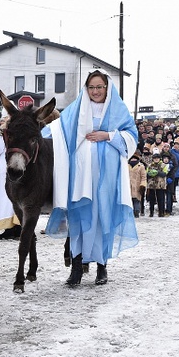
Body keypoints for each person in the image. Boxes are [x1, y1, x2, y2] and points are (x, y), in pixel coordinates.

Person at [44, 70, 138, 286]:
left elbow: (132, 136)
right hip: (80, 175)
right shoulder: (77, 108)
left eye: (99, 87)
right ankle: (76, 268)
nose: (95, 91)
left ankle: (101, 267)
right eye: (91, 87)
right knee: (78, 218)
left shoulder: (118, 109)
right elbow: (58, 128)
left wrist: (108, 135)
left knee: (102, 218)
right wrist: (32, 132)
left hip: (107, 176)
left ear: (107, 88)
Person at [128, 150, 147, 218]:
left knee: (137, 200)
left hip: (137, 185)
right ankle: (131, 212)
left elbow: (143, 177)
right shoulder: (127, 166)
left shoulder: (141, 166)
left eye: (135, 158)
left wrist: (143, 185)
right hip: (128, 186)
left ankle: (136, 211)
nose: (133, 159)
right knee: (130, 200)